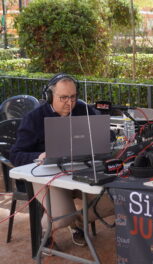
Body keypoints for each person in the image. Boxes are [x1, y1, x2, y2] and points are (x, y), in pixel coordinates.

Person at [10, 73, 113, 247]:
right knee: (61, 216)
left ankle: (77, 223)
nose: (69, 102)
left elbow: (106, 135)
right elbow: (16, 154)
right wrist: (39, 156)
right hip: (47, 177)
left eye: (73, 97)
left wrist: (102, 137)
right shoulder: (34, 118)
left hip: (81, 170)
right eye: (63, 97)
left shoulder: (82, 109)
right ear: (49, 96)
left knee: (111, 201)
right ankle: (47, 230)